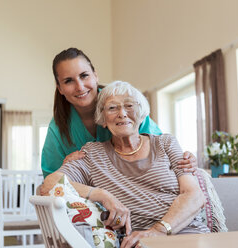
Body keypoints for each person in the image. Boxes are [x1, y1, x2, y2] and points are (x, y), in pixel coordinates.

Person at [41, 81, 209, 248]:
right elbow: (49, 183)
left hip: (189, 235)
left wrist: (159, 230)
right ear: (103, 119)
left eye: (129, 105)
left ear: (142, 114)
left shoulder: (166, 143)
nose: (122, 113)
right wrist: (101, 195)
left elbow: (194, 196)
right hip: (137, 243)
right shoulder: (93, 154)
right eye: (112, 108)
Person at [41, 48, 197, 177]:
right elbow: (51, 181)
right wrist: (65, 167)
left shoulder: (126, 104)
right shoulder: (57, 129)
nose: (80, 87)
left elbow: (161, 149)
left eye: (84, 76)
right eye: (68, 81)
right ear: (60, 88)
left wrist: (186, 160)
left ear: (95, 76)